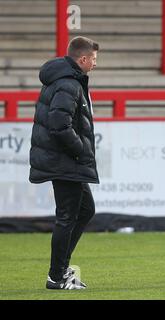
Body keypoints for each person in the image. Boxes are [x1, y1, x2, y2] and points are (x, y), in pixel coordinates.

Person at [29, 36, 99, 290]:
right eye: (93, 59)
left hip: (67, 160)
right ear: (82, 59)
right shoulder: (69, 84)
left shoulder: (64, 80)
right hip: (66, 160)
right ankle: (57, 275)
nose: (94, 63)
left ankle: (60, 268)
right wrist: (80, 150)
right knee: (68, 216)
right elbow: (59, 125)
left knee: (85, 210)